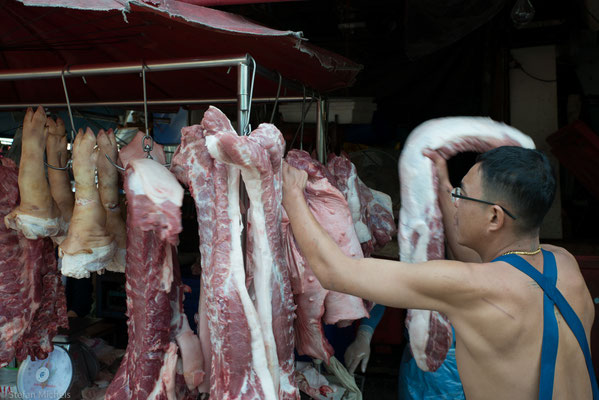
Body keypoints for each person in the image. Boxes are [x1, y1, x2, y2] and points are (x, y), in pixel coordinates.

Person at [282, 145, 597, 399]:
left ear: (494, 218)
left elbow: (336, 273)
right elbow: (486, 266)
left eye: (462, 195)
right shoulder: (564, 263)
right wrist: (444, 182)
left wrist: (293, 194)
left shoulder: (470, 286)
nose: (455, 203)